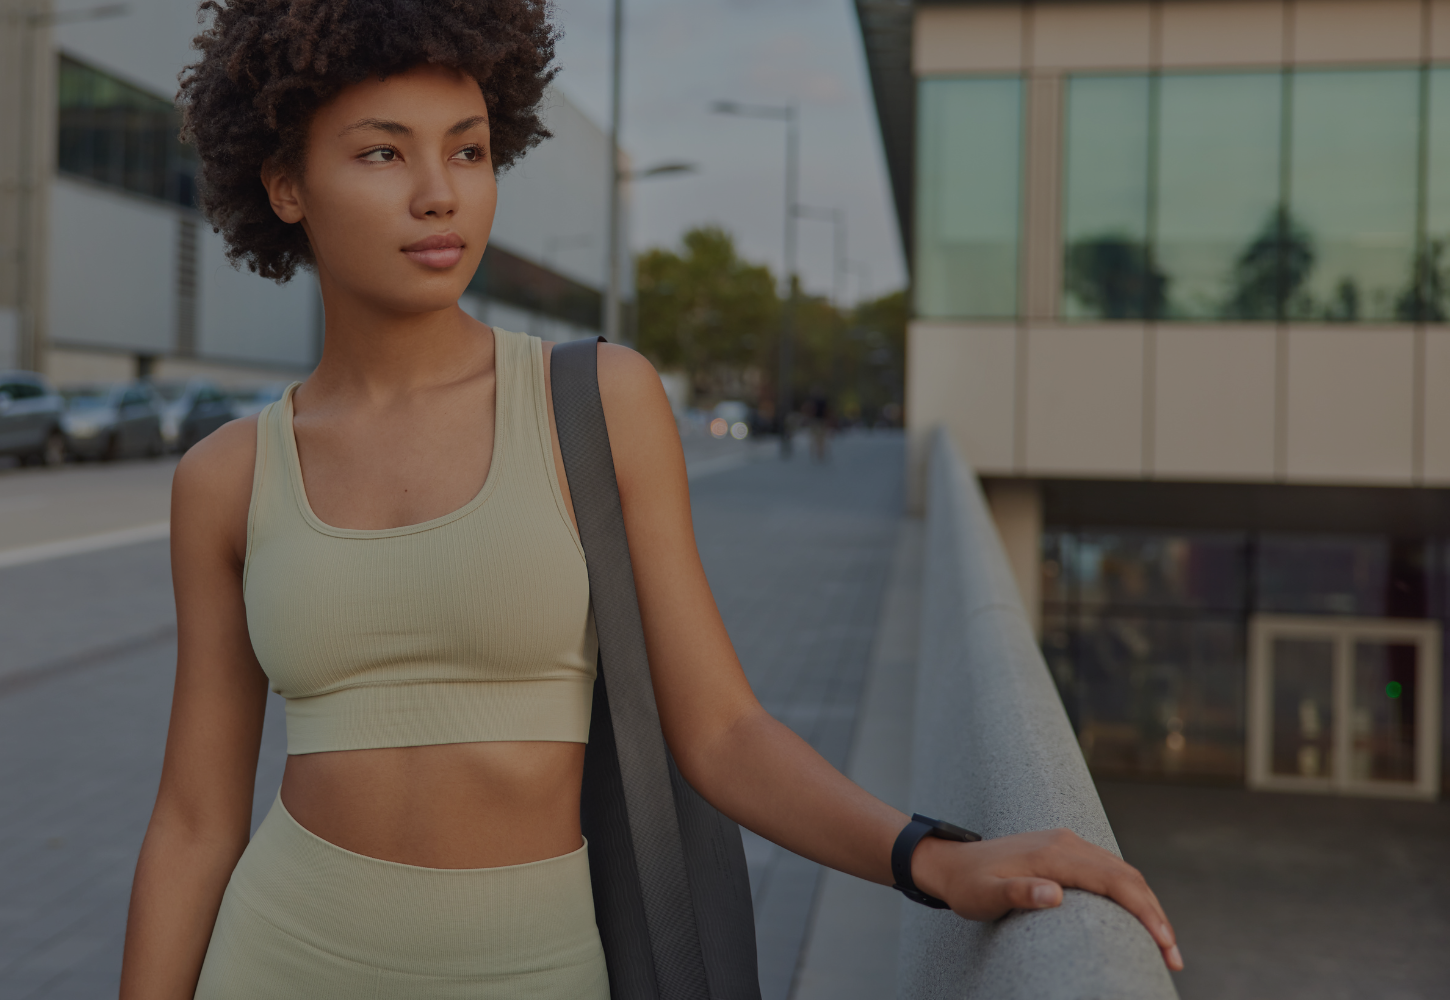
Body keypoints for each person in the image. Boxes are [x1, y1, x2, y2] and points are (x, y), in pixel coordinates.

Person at [122, 2, 1182, 996]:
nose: (438, 191)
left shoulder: (593, 399)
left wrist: (931, 855)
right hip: (283, 955)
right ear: (285, 184)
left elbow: (719, 731)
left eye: (468, 147)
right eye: (381, 151)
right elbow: (192, 822)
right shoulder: (226, 478)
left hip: (534, 969)